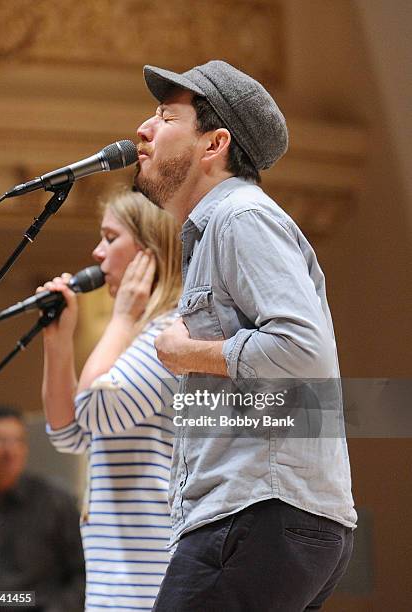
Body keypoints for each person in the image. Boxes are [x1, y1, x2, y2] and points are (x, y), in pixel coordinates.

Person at [134, 60, 358, 611]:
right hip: (269, 515)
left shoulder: (240, 217)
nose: (143, 128)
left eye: (166, 116)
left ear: (214, 145)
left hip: (259, 512)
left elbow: (303, 352)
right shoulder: (225, 226)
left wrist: (186, 353)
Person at [40, 189, 181, 611]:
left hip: (147, 579)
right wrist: (58, 343)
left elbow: (96, 410)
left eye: (110, 237)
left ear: (147, 250)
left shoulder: (169, 334)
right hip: (115, 575)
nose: (97, 253)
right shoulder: (135, 339)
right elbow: (69, 434)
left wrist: (120, 319)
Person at [0, 404, 85, 612]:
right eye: (0, 441)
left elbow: (83, 573)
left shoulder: (56, 501)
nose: (10, 451)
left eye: (17, 441)